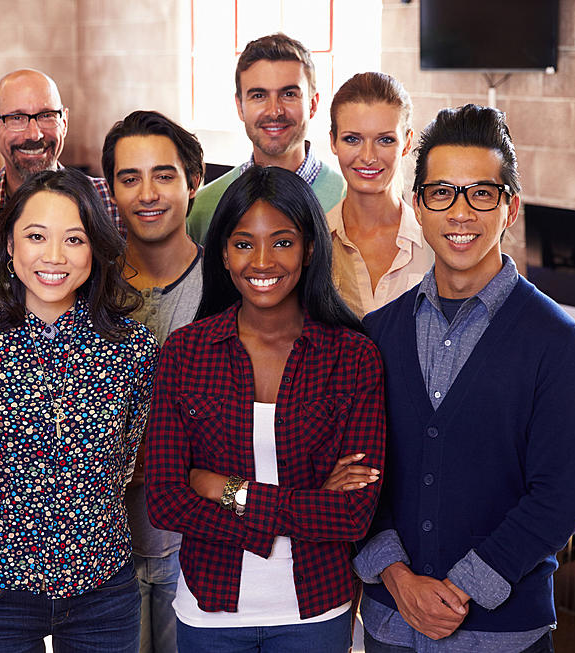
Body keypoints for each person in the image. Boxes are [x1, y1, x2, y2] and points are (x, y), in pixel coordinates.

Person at [355, 104, 575, 653]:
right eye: (441, 192)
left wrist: (459, 590)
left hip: (503, 634)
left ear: (509, 207)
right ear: (417, 205)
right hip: (391, 626)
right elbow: (358, 474)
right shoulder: (376, 334)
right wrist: (398, 579)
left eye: (481, 193)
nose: (459, 212)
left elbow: (557, 500)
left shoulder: (560, 346)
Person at [146, 166, 386, 653]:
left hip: (318, 610)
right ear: (224, 254)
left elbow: (353, 515)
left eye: (281, 242)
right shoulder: (185, 353)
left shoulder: (353, 356)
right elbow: (165, 501)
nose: (262, 261)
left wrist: (224, 489)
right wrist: (308, 504)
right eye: (242, 243)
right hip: (210, 610)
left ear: (310, 248)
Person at [0, 168, 159, 652]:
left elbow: (130, 462)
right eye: (35, 236)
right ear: (10, 245)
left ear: (96, 249)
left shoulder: (133, 350)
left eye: (74, 239)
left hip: (102, 585)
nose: (53, 256)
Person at [101, 109, 205, 653]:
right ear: (112, 191)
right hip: (105, 551)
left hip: (202, 546)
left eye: (164, 175)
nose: (147, 193)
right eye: (129, 177)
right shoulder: (87, 291)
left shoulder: (233, 288)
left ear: (195, 181)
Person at [186, 33, 345, 244]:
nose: (274, 111)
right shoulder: (202, 209)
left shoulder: (348, 200)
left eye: (289, 94)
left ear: (313, 104)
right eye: (258, 96)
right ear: (239, 107)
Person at [327, 72, 433, 318]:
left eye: (385, 140)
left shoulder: (434, 241)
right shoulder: (314, 242)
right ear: (333, 141)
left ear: (407, 143)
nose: (368, 156)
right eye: (352, 139)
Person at [0, 68, 122, 233]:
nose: (35, 135)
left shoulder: (110, 201)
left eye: (46, 116)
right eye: (17, 119)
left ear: (64, 122)